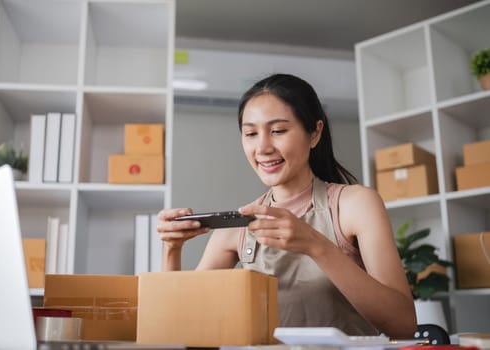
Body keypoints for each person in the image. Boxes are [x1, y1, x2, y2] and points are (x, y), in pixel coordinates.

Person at [157, 73, 416, 338]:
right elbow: (180, 323)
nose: (263, 147)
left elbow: (403, 325)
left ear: (314, 133)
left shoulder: (356, 204)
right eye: (250, 133)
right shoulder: (237, 227)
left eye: (278, 131)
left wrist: (316, 245)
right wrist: (171, 249)